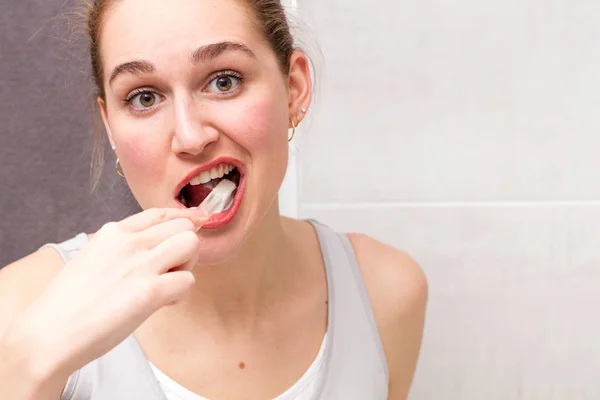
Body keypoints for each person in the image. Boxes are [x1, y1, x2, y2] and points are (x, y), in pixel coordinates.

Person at [0, 0, 428, 399]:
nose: (189, 136)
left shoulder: (386, 293)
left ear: (294, 88)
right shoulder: (18, 309)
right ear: (111, 126)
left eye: (224, 81)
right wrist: (30, 365)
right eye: (144, 97)